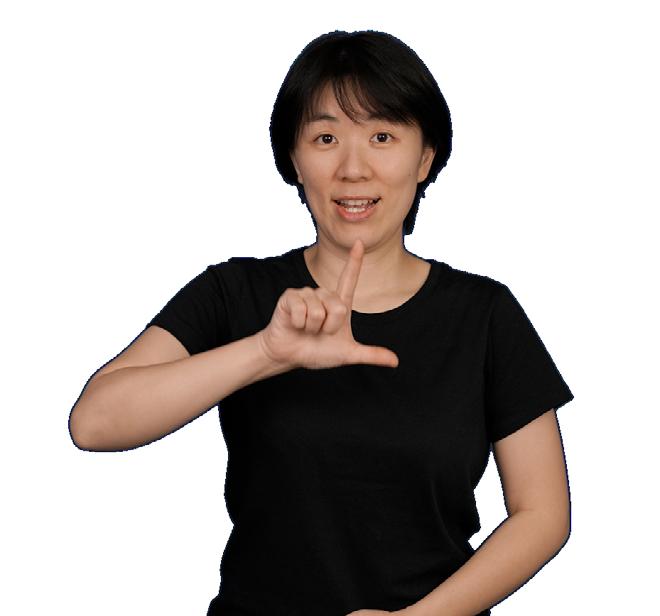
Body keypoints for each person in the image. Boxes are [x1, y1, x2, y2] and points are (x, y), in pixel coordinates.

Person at [69, 29, 575, 616]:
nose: (353, 169)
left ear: (425, 157)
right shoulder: (235, 292)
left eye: (382, 136)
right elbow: (94, 423)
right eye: (326, 138)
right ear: (294, 158)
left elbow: (543, 514)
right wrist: (267, 352)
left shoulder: (484, 314)